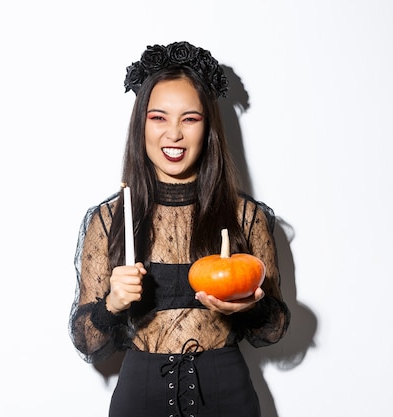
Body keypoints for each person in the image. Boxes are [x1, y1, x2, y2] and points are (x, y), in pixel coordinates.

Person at [69, 41, 290, 417]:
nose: (173, 133)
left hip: (227, 396)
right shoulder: (108, 220)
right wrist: (112, 305)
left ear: (209, 127)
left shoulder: (246, 216)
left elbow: (274, 327)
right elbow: (87, 340)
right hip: (139, 399)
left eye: (190, 118)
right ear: (141, 124)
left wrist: (250, 306)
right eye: (158, 117)